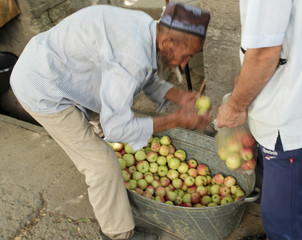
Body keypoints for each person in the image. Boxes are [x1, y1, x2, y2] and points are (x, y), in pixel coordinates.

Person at [10, 3, 210, 240]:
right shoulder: (132, 55)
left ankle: (113, 196)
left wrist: (179, 96)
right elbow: (117, 127)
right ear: (167, 43)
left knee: (108, 126)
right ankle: (118, 234)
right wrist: (175, 120)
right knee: (101, 164)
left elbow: (143, 76)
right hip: (43, 88)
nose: (185, 63)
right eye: (186, 55)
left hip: (64, 69)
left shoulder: (147, 27)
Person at [215, 0, 302, 239]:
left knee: (281, 219)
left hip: (288, 113)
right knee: (293, 200)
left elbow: (265, 53)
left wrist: (235, 106)